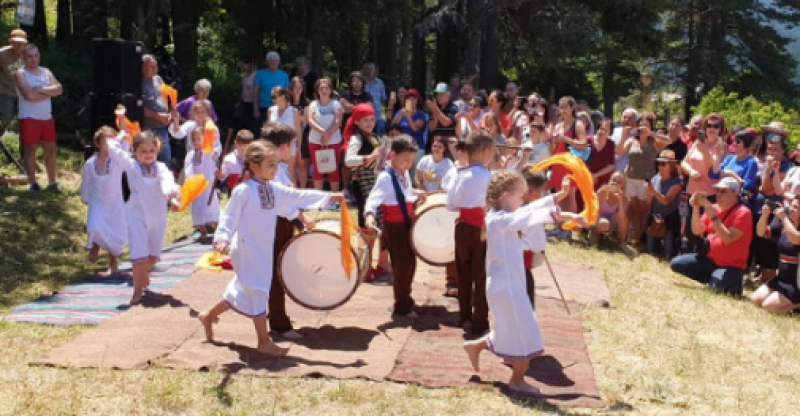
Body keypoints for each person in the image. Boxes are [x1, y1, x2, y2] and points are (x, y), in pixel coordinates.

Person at [198, 141, 343, 356]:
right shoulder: (242, 191)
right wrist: (222, 239)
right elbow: (229, 217)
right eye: (270, 165)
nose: (275, 170)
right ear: (254, 166)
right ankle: (264, 342)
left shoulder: (273, 189)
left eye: (276, 165)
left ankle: (208, 315)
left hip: (263, 249)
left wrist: (329, 197)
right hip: (247, 249)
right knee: (259, 290)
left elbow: (297, 197)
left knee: (243, 290)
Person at [463, 170, 585, 396]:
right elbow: (528, 215)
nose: (524, 200)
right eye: (521, 195)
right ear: (507, 196)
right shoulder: (499, 219)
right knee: (528, 332)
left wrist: (560, 197)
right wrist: (566, 215)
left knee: (511, 328)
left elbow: (529, 210)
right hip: (506, 287)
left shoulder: (501, 216)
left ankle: (475, 346)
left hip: (506, 286)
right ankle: (517, 380)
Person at [105, 131, 180, 305]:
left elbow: (167, 182)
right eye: (143, 151)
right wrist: (120, 137)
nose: (148, 154)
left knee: (152, 257)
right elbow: (112, 148)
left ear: (157, 151)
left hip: (157, 215)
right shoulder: (131, 165)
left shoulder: (161, 168)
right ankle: (137, 292)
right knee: (139, 256)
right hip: (136, 215)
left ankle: (142, 276)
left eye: (151, 150)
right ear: (135, 151)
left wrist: (173, 197)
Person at [261, 123, 313, 339]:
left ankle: (275, 314)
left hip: (280, 223)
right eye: (292, 144)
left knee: (277, 272)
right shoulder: (274, 171)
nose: (294, 149)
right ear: (283, 146)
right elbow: (281, 204)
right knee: (276, 273)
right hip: (276, 225)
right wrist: (300, 216)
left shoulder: (278, 168)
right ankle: (279, 323)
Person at [365, 135, 424, 318]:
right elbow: (373, 199)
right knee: (401, 265)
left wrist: (415, 195)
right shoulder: (385, 177)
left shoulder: (404, 174)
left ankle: (405, 298)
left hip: (407, 225)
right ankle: (402, 305)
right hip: (395, 227)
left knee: (410, 263)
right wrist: (369, 215)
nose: (409, 164)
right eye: (406, 160)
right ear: (392, 155)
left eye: (412, 161)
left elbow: (403, 194)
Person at [447, 131, 495, 335]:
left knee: (463, 273)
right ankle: (480, 320)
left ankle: (464, 316)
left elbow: (450, 204)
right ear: (485, 152)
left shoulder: (461, 174)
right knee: (482, 274)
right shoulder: (490, 177)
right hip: (482, 229)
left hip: (462, 227)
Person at [670, 177, 753, 296]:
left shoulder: (743, 213)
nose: (718, 194)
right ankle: (716, 278)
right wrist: (695, 209)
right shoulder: (713, 208)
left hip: (730, 265)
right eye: (717, 190)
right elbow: (697, 230)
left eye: (723, 191)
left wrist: (714, 217)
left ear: (735, 193)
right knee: (676, 263)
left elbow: (728, 239)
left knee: (717, 289)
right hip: (709, 260)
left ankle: (727, 281)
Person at [344, 103, 390, 281]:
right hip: (363, 184)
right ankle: (365, 265)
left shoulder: (374, 136)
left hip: (376, 182)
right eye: (365, 120)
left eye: (371, 119)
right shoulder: (357, 138)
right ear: (357, 122)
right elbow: (348, 161)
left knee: (381, 221)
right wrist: (369, 157)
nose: (370, 123)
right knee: (367, 224)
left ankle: (382, 263)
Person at [81, 126, 127, 276]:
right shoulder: (89, 164)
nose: (108, 144)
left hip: (115, 203)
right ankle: (96, 244)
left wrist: (121, 119)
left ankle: (113, 264)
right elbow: (86, 183)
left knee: (114, 233)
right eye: (104, 141)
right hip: (97, 202)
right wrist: (85, 197)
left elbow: (126, 142)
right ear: (98, 143)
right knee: (94, 227)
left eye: (111, 141)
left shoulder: (117, 161)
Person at [15, 44, 62, 191]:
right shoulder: (20, 73)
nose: (33, 60)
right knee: (30, 149)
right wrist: (48, 91)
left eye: (36, 56)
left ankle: (52, 182)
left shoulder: (46, 71)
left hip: (46, 117)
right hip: (29, 116)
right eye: (29, 56)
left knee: (51, 148)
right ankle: (32, 183)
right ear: (23, 58)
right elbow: (28, 95)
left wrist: (39, 90)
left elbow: (59, 89)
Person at [751, 196, 800, 313]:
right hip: (782, 278)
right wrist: (765, 215)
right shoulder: (785, 225)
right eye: (791, 205)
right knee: (756, 299)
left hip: (797, 283)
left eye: (796, 207)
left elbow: (795, 239)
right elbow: (761, 232)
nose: (791, 209)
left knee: (769, 306)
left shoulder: (786, 222)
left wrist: (783, 217)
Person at [618, 113, 658, 250]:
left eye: (646, 125)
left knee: (644, 210)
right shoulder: (632, 141)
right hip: (631, 178)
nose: (642, 128)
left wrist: (651, 134)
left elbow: (668, 140)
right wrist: (624, 135)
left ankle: (640, 239)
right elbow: (619, 151)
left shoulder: (654, 142)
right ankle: (637, 239)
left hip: (646, 180)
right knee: (634, 210)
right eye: (641, 125)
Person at [183, 126, 220, 241]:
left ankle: (218, 229)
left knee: (211, 207)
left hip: (208, 183)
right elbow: (188, 168)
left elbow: (215, 154)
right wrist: (191, 180)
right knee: (198, 208)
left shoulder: (208, 152)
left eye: (199, 139)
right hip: (197, 185)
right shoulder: (191, 154)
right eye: (194, 139)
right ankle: (202, 231)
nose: (196, 142)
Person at [644, 149, 683, 259]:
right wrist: (648, 193)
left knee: (668, 254)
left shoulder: (677, 181)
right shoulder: (655, 178)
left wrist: (653, 191)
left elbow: (666, 201)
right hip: (655, 215)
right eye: (658, 163)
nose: (660, 166)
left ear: (671, 165)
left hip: (669, 218)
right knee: (650, 251)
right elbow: (649, 201)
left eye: (663, 164)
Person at [307, 77, 344, 192]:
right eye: (321, 88)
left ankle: (335, 197)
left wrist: (328, 135)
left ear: (330, 90)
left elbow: (338, 121)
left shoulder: (336, 104)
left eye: (326, 88)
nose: (324, 90)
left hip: (334, 141)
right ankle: (318, 197)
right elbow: (310, 120)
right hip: (315, 140)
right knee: (318, 168)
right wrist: (324, 133)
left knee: (333, 168)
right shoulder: (313, 104)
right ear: (317, 90)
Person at [589, 172, 632, 254]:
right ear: (609, 181)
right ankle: (594, 232)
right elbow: (589, 210)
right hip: (596, 220)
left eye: (619, 182)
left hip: (610, 224)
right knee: (604, 223)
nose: (615, 183)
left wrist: (620, 201)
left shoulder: (625, 199)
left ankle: (622, 243)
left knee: (624, 218)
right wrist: (597, 198)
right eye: (613, 180)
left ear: (623, 185)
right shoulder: (602, 192)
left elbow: (622, 217)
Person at [142, 54, 173, 166]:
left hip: (162, 128)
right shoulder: (138, 83)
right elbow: (139, 108)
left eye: (156, 65)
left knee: (165, 160)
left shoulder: (158, 79)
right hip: (147, 128)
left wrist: (169, 113)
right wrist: (158, 116)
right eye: (151, 66)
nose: (155, 68)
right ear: (143, 67)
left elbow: (166, 98)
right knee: (148, 161)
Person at [268, 86, 302, 186]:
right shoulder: (271, 110)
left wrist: (299, 148)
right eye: (272, 97)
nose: (273, 99)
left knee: (291, 172)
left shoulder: (293, 111)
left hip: (289, 146)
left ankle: (294, 196)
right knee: (274, 170)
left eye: (275, 96)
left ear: (283, 96)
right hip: (274, 146)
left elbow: (298, 131)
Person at [391, 88, 427, 175]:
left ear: (417, 100)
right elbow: (393, 125)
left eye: (414, 99)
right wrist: (401, 115)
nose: (411, 101)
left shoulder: (421, 115)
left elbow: (415, 128)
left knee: (414, 172)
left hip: (417, 148)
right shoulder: (400, 112)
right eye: (409, 98)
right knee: (402, 171)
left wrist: (408, 117)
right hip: (402, 147)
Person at [0, 29, 26, 135]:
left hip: (24, 92)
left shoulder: (29, 54)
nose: (19, 45)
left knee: (25, 120)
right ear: (10, 41)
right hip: (6, 90)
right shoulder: (2, 54)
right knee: (6, 117)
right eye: (16, 42)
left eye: (21, 43)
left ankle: (24, 147)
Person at [253, 51, 290, 125]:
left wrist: (288, 107)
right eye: (271, 61)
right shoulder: (260, 74)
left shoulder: (284, 75)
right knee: (265, 130)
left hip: (280, 107)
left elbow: (287, 93)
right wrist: (256, 109)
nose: (273, 63)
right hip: (264, 107)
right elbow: (255, 93)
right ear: (267, 62)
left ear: (278, 62)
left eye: (275, 60)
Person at [216, 129, 254, 195]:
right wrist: (220, 175)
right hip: (234, 191)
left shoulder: (254, 159)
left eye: (247, 149)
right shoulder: (229, 159)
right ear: (236, 144)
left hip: (250, 191)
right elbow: (223, 176)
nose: (244, 152)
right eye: (242, 149)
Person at [289, 76, 311, 188]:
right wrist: (298, 116)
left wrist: (296, 116)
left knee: (302, 164)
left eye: (300, 87)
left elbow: (308, 119)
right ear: (291, 88)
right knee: (291, 165)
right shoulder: (286, 102)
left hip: (303, 135)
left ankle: (302, 190)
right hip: (289, 136)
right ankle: (293, 190)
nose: (297, 90)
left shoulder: (307, 102)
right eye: (295, 87)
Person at [426, 82, 459, 153]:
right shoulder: (434, 108)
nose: (439, 97)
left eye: (442, 94)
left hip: (450, 146)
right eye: (437, 95)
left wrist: (435, 109)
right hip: (436, 145)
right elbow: (431, 128)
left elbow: (446, 122)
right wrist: (435, 112)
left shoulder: (454, 108)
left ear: (448, 95)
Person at [587, 118, 616, 190]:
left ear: (610, 133)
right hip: (586, 178)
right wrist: (589, 175)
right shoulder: (587, 141)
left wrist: (595, 175)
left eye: (605, 130)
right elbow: (580, 160)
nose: (602, 131)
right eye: (601, 128)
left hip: (602, 181)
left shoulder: (611, 144)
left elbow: (610, 166)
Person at [234, 56, 259, 136]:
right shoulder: (244, 75)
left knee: (251, 122)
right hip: (244, 100)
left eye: (245, 65)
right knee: (239, 118)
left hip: (253, 101)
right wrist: (239, 101)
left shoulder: (256, 76)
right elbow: (243, 89)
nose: (244, 67)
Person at [363, 63, 387, 135]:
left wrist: (383, 116)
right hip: (365, 116)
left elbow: (383, 100)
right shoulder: (362, 82)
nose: (370, 71)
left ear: (375, 70)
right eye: (368, 69)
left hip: (378, 116)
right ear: (365, 70)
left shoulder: (380, 83)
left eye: (371, 69)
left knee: (379, 137)